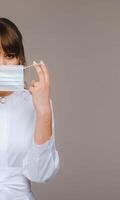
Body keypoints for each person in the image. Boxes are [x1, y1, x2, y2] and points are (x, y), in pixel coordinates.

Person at [0, 18, 60, 199]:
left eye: (9, 56)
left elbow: (41, 174)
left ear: (20, 60)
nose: (1, 65)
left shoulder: (34, 104)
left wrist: (43, 112)